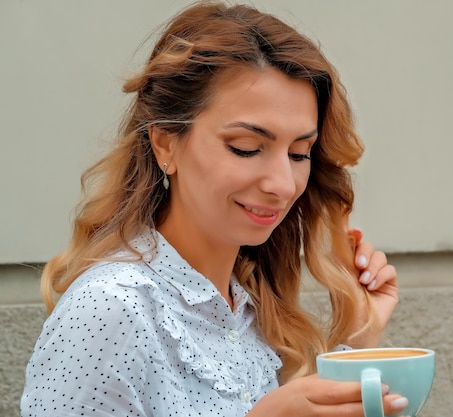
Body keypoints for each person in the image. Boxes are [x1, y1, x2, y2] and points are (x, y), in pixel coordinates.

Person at [21, 2, 403, 416]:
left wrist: (359, 337)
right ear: (166, 143)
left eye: (298, 153)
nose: (281, 184)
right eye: (246, 148)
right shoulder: (111, 308)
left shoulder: (251, 311)